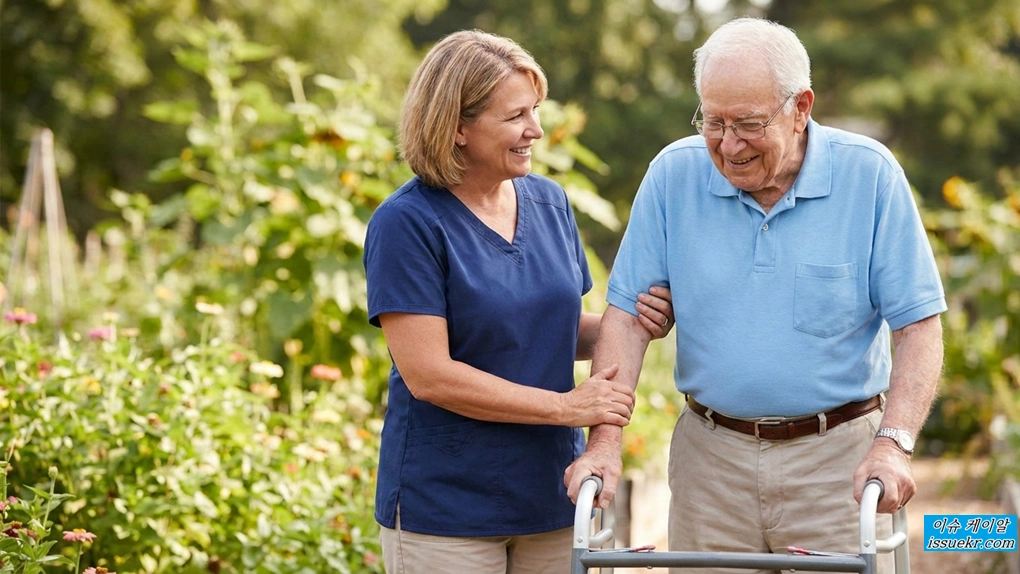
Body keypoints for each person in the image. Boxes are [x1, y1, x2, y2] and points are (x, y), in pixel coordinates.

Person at [565, 17, 946, 574]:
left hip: (838, 460)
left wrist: (894, 443)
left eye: (747, 124)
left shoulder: (870, 176)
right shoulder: (675, 175)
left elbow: (918, 325)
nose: (727, 144)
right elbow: (626, 318)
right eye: (712, 122)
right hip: (710, 460)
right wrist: (604, 443)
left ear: (801, 108)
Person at [363, 30, 675, 574]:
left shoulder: (548, 201)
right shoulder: (407, 223)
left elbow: (550, 326)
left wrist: (629, 326)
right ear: (457, 127)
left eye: (535, 110)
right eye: (515, 117)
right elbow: (429, 375)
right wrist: (564, 408)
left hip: (551, 495)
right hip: (446, 510)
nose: (536, 129)